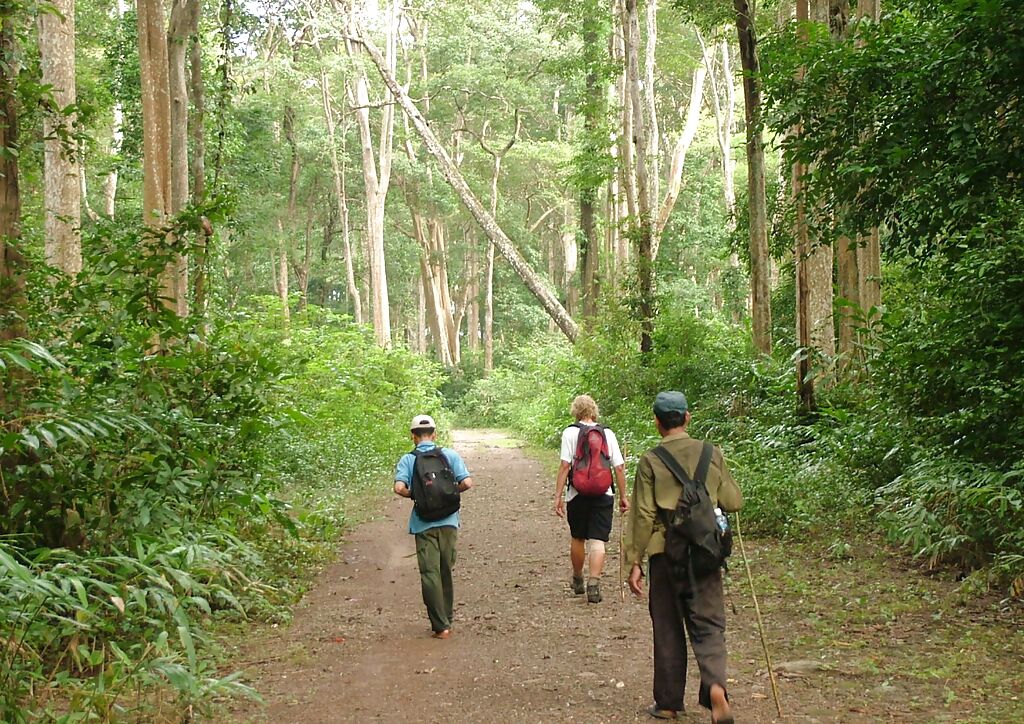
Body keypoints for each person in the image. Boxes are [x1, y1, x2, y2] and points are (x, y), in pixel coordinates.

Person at [624, 391, 743, 723]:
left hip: (666, 553)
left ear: (657, 422)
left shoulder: (651, 461)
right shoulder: (711, 452)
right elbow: (733, 501)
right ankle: (715, 687)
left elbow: (643, 515)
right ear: (687, 417)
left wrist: (634, 562)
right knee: (709, 624)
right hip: (705, 552)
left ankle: (668, 703)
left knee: (667, 625)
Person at [394, 414, 474, 639]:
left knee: (430, 574)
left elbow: (399, 488)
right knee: (445, 570)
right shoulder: (449, 455)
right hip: (449, 521)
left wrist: (416, 495)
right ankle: (447, 617)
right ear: (435, 434)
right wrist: (449, 493)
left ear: (413, 436)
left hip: (423, 523)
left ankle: (441, 626)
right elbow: (467, 483)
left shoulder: (408, 460)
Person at [553, 394, 629, 604]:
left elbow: (565, 466)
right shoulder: (607, 433)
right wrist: (624, 496)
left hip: (577, 493)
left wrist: (558, 496)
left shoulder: (570, 432)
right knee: (598, 541)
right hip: (603, 493)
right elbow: (619, 467)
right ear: (594, 410)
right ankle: (594, 583)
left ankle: (578, 578)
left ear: (575, 411)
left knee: (578, 537)